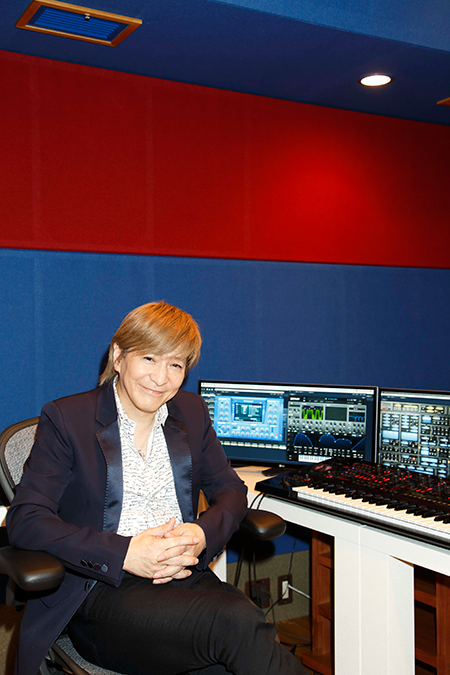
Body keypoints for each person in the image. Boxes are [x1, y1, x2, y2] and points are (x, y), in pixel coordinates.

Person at [7, 301, 307, 675]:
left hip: (185, 581)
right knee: (236, 624)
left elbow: (231, 489)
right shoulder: (68, 418)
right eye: (149, 358)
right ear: (118, 356)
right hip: (103, 592)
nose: (161, 378)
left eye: (175, 365)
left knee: (239, 647)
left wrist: (201, 533)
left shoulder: (192, 412)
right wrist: (125, 553)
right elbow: (27, 520)